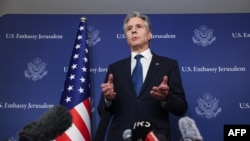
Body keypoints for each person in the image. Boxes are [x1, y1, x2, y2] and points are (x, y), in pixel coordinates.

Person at [97, 11, 188, 141]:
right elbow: (102, 111)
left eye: (139, 27)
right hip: (121, 136)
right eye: (129, 29)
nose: (133, 31)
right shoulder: (115, 68)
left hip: (155, 135)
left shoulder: (168, 65)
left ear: (149, 34)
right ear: (126, 38)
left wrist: (166, 97)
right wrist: (108, 99)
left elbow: (181, 108)